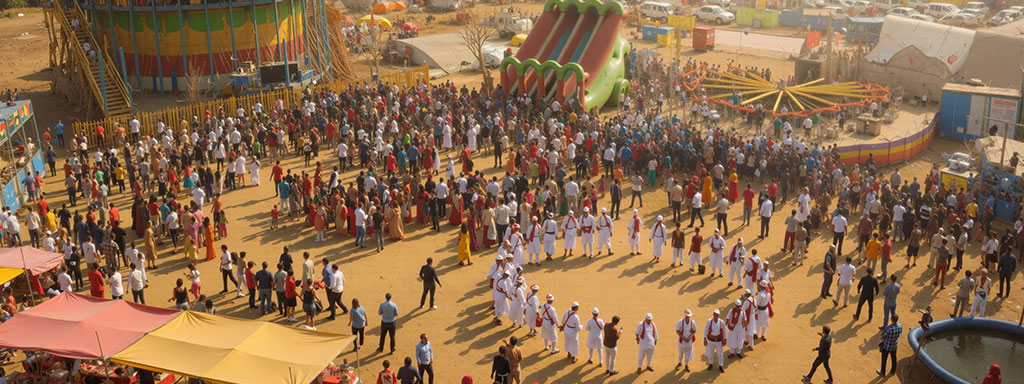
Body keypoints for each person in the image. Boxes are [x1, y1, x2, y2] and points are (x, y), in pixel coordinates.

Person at [704, 309, 726, 373]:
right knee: (711, 353)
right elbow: (706, 330)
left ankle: (720, 365)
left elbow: (724, 331)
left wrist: (725, 339)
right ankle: (710, 363)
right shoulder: (709, 321)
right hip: (711, 340)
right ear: (713, 314)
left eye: (717, 315)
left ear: (719, 315)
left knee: (720, 354)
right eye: (715, 314)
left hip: (718, 341)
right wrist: (705, 338)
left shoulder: (722, 322)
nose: (716, 316)